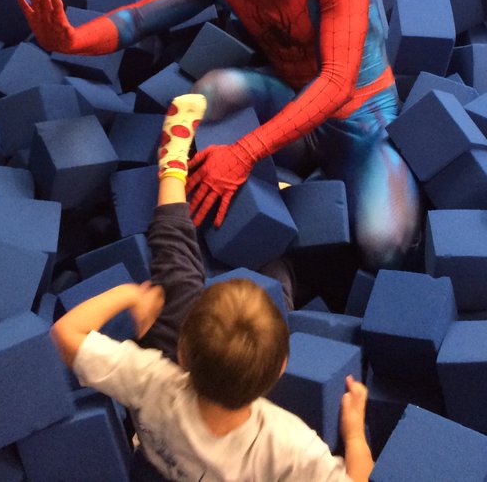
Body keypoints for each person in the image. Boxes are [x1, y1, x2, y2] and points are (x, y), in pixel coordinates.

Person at [17, 0, 418, 268]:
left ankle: (302, 220)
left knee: (383, 246)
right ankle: (266, 215)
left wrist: (242, 154)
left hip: (363, 123)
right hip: (292, 105)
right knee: (208, 92)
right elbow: (137, 20)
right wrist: (71, 39)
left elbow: (335, 81)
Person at [51, 94, 374, 482]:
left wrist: (130, 295)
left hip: (162, 438)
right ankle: (289, 233)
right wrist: (354, 433)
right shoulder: (287, 443)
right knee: (280, 275)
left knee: (175, 273)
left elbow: (66, 334)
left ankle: (173, 169)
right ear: (280, 371)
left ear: (183, 352)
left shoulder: (152, 380)